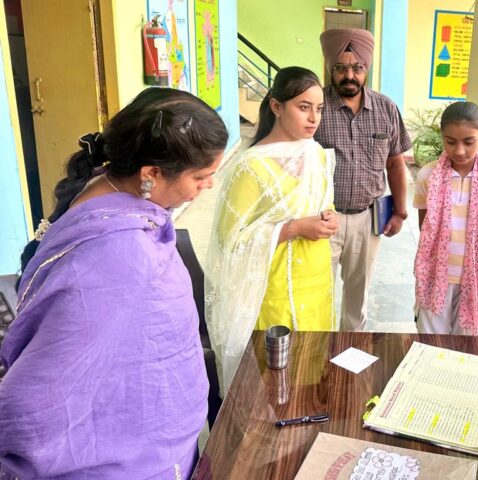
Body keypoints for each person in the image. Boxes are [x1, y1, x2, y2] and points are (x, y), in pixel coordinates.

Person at [0, 87, 229, 479]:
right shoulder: (121, 254)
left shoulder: (101, 185)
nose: (207, 185)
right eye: (201, 176)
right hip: (123, 459)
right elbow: (43, 390)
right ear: (151, 174)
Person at [206, 67, 338, 392]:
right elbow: (229, 242)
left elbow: (325, 204)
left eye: (319, 108)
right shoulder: (250, 167)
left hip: (316, 286)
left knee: (311, 377)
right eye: (303, 107)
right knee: (273, 385)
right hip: (273, 292)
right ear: (277, 106)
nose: (314, 118)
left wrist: (330, 218)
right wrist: (293, 228)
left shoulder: (316, 154)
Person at [314, 28, 412, 332]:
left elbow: (395, 163)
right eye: (340, 68)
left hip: (368, 219)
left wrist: (399, 211)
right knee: (317, 294)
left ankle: (350, 349)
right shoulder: (315, 108)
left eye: (357, 67)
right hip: (322, 219)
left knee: (358, 297)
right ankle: (318, 350)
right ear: (330, 68)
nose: (349, 75)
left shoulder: (386, 108)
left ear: (366, 68)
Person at [413, 101, 478, 335]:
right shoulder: (427, 175)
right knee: (430, 340)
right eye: (450, 141)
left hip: (474, 278)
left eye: (468, 142)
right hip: (434, 275)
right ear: (442, 137)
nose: (459, 151)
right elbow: (425, 228)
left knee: (467, 342)